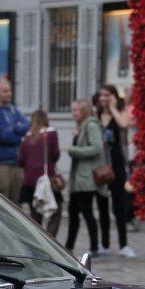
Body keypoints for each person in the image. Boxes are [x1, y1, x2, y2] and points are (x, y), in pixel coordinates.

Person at [95, 85, 134, 257]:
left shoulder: (120, 112)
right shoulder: (95, 116)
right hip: (100, 166)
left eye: (107, 95)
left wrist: (112, 107)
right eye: (102, 95)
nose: (103, 98)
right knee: (102, 205)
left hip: (116, 165)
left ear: (113, 97)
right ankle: (104, 244)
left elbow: (124, 124)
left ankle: (123, 245)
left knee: (119, 206)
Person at [64, 99, 104, 256]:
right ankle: (69, 247)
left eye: (76, 110)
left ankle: (94, 247)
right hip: (78, 178)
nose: (73, 113)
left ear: (84, 111)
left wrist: (74, 150)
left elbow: (97, 148)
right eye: (72, 110)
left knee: (87, 212)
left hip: (86, 178)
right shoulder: (81, 127)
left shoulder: (91, 125)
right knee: (73, 212)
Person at [0, 78, 31, 202]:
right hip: (1, 163)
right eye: (5, 91)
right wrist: (19, 134)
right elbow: (3, 136)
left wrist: (14, 129)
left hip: (16, 162)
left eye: (10, 90)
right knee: (1, 201)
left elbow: (27, 124)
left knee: (16, 202)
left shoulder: (13, 110)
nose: (9, 93)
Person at [17, 109, 61, 226]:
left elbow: (20, 160)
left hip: (30, 181)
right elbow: (55, 155)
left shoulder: (27, 137)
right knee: (56, 212)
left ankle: (37, 236)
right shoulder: (51, 134)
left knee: (35, 214)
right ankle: (49, 237)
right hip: (47, 178)